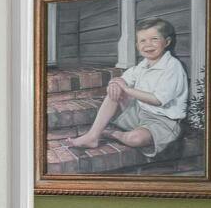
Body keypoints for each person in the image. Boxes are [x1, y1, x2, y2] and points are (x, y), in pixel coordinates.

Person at [62, 16, 190, 161]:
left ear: (166, 42)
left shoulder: (173, 66)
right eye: (143, 40)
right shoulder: (144, 64)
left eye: (154, 39)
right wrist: (115, 83)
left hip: (164, 121)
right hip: (140, 112)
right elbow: (124, 79)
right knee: (115, 89)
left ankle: (111, 134)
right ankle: (93, 135)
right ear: (137, 45)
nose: (148, 44)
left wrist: (127, 89)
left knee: (135, 139)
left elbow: (158, 100)